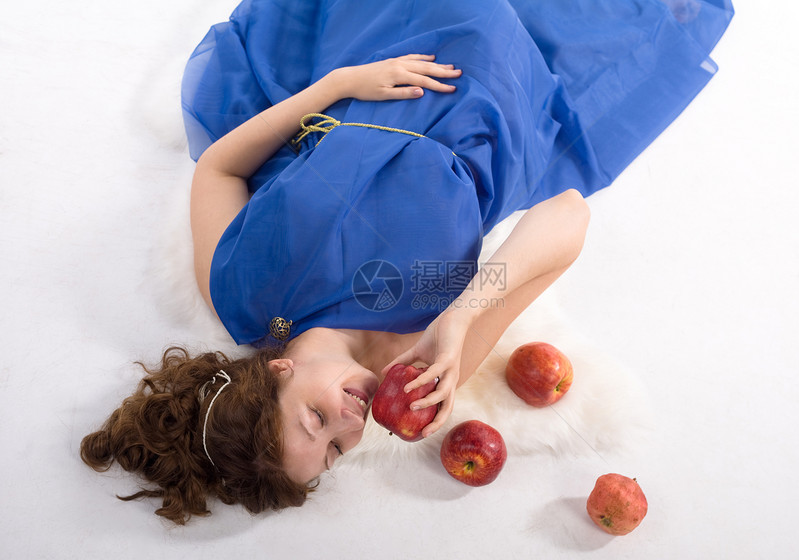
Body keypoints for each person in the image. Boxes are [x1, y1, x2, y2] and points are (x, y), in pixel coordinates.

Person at [80, 0, 733, 524]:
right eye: (336, 452)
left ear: (276, 371)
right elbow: (566, 214)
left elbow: (218, 164)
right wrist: (462, 315)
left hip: (393, 42)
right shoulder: (415, 361)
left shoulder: (244, 290)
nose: (348, 424)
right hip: (508, 92)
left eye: (315, 419)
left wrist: (337, 85)